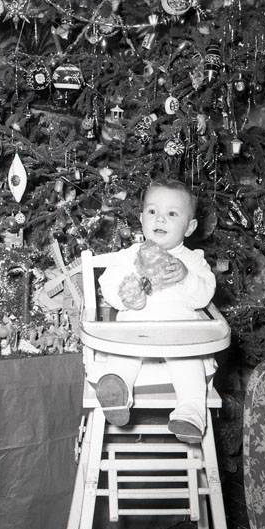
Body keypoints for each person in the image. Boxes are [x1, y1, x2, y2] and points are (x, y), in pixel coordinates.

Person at [88, 180, 216, 443]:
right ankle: (117, 393)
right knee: (122, 356)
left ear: (189, 227)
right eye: (152, 211)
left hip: (179, 338)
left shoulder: (192, 261)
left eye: (172, 213)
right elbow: (108, 284)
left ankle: (190, 413)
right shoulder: (128, 256)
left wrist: (186, 277)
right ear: (141, 219)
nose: (160, 219)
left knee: (189, 363)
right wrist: (125, 298)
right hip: (135, 333)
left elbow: (204, 295)